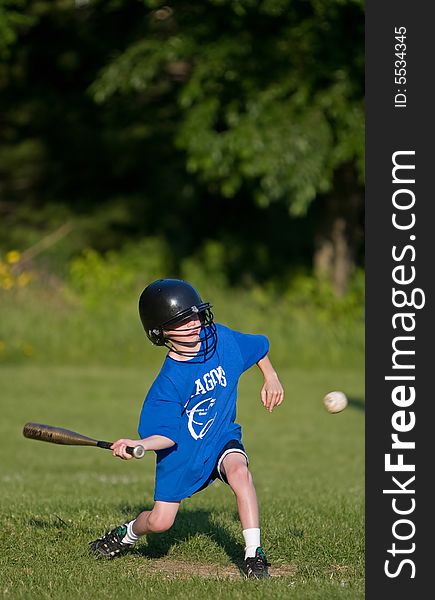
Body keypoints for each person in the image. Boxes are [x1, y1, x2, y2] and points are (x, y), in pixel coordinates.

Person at [89, 278, 284, 579]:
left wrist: (270, 377)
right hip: (183, 454)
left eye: (194, 315)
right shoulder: (168, 384)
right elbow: (166, 435)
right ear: (160, 332)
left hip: (220, 437)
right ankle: (125, 534)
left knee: (240, 473)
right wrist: (137, 444)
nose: (194, 324)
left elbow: (258, 347)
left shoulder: (221, 340)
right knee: (159, 522)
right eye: (181, 321)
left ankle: (253, 554)